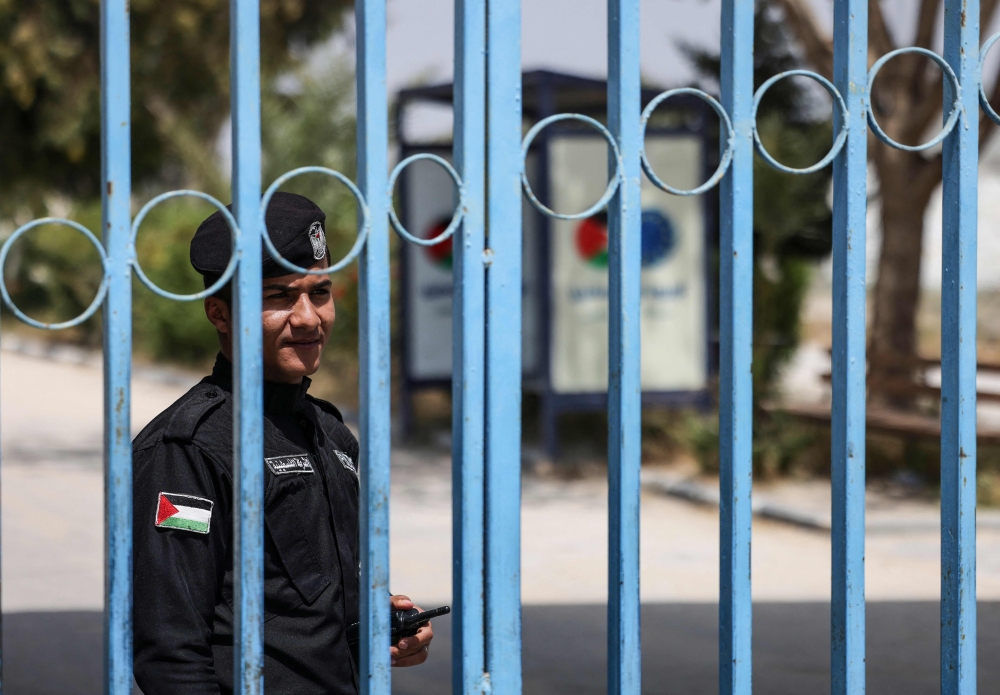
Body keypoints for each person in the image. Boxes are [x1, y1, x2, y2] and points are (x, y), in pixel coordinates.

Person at [132, 192, 433, 695]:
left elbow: (302, 611)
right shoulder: (188, 448)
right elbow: (170, 657)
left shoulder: (330, 434)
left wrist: (381, 627)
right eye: (278, 297)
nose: (309, 318)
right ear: (220, 315)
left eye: (319, 293)